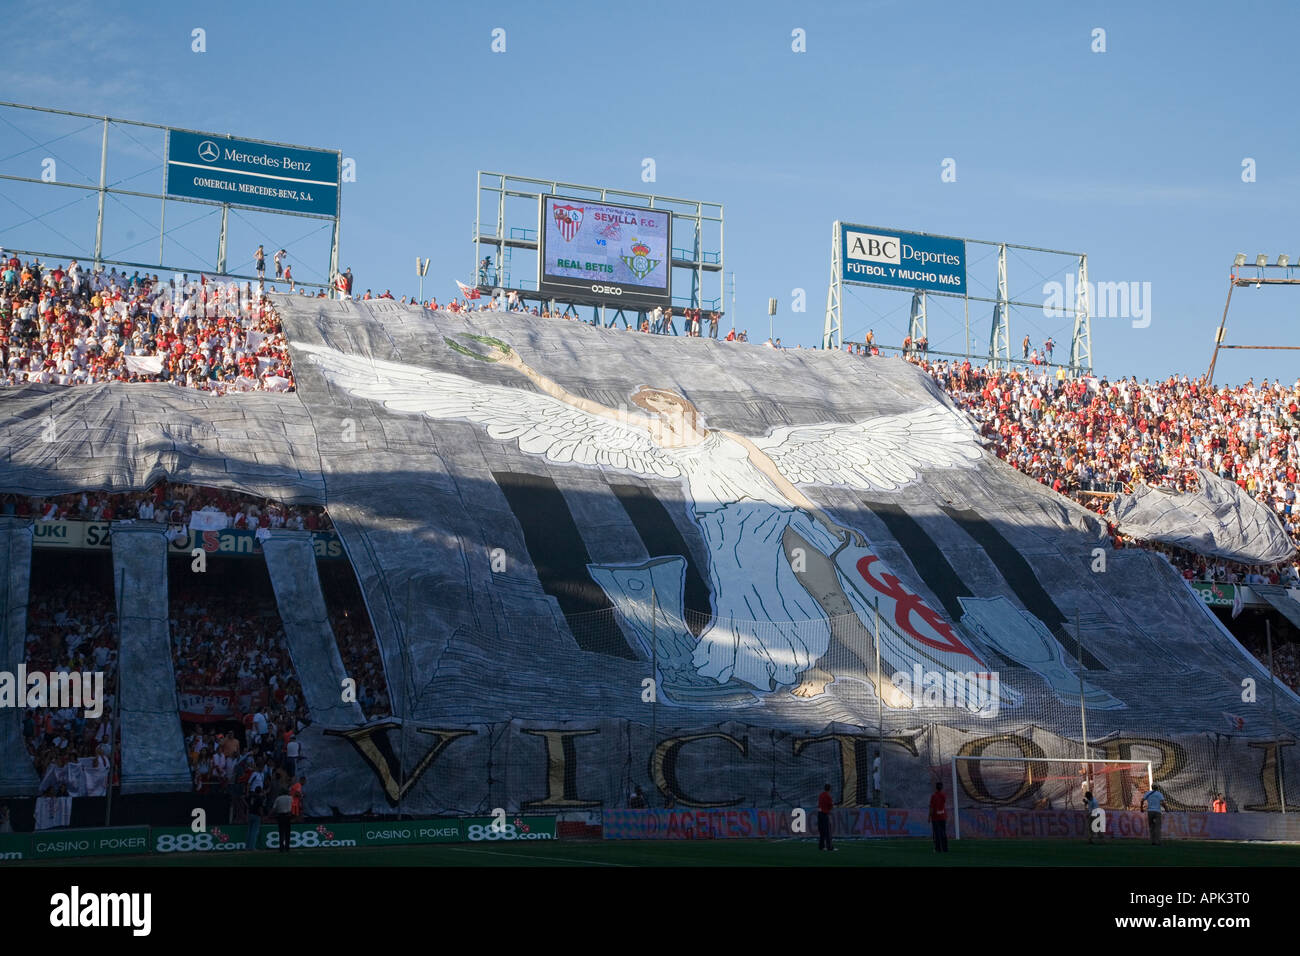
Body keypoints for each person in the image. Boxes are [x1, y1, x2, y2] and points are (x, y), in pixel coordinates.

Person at [929, 781, 949, 852]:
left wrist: (929, 817)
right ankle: (945, 848)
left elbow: (931, 807)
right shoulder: (944, 795)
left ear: (936, 787)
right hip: (943, 816)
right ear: (942, 787)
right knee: (943, 832)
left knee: (936, 833)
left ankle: (938, 848)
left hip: (935, 817)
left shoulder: (934, 796)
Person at [817, 783, 835, 851]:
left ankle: (821, 846)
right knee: (827, 831)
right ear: (829, 789)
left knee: (821, 831)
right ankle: (829, 847)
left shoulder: (821, 795)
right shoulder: (828, 796)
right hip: (824, 814)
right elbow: (830, 805)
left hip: (819, 814)